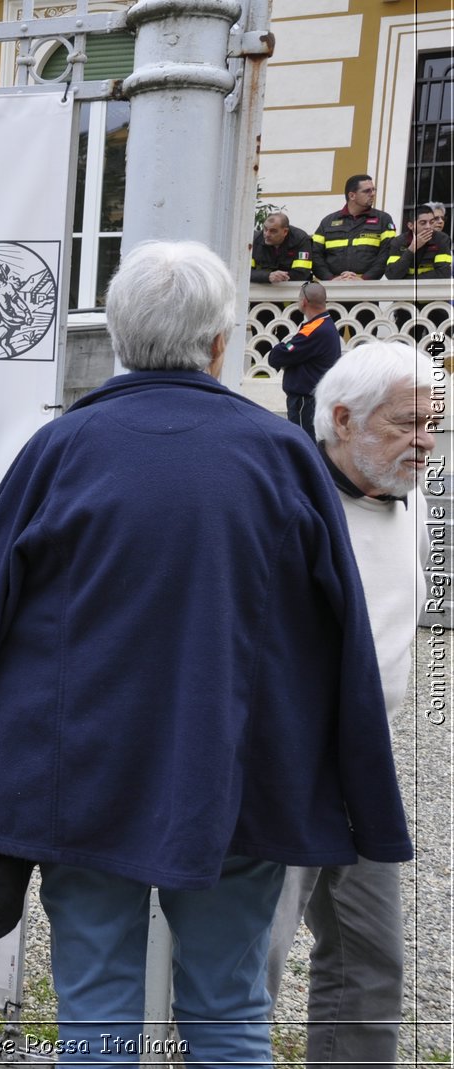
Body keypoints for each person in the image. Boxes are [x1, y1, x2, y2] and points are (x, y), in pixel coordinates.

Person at [0, 241, 410, 1067]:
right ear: (219, 343)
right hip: (236, 778)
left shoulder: (58, 450)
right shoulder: (280, 455)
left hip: (79, 778)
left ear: (123, 336)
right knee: (228, 1011)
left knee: (97, 1011)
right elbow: (340, 634)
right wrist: (360, 792)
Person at [265, 340, 435, 1066]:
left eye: (433, 423)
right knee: (255, 961)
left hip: (368, 763)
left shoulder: (413, 499)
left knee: (373, 957)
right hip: (281, 769)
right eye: (408, 423)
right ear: (341, 418)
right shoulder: (281, 500)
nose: (426, 441)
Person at [268, 280, 341, 439]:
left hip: (305, 401)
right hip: (311, 399)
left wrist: (282, 346)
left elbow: (276, 356)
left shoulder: (314, 329)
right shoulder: (322, 324)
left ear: (304, 302)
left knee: (303, 443)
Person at [311, 174, 397, 280]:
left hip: (368, 288)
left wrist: (365, 279)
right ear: (352, 196)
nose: (373, 194)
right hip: (333, 287)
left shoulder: (383, 219)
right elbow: (315, 255)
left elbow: (386, 254)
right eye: (367, 191)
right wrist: (330, 279)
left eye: (374, 190)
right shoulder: (328, 222)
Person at [385, 203, 453, 280]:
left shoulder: (442, 239)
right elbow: (392, 275)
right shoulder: (398, 242)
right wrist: (411, 249)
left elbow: (444, 274)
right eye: (423, 223)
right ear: (411, 226)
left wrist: (408, 280)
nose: (428, 227)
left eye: (432, 222)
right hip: (405, 290)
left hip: (431, 289)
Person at [250, 211, 313, 283]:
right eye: (265, 229)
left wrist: (278, 277)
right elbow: (246, 272)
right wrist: (267, 276)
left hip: (294, 288)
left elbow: (302, 273)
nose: (267, 234)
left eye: (273, 231)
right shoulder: (255, 240)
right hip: (263, 287)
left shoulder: (301, 239)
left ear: (285, 231)